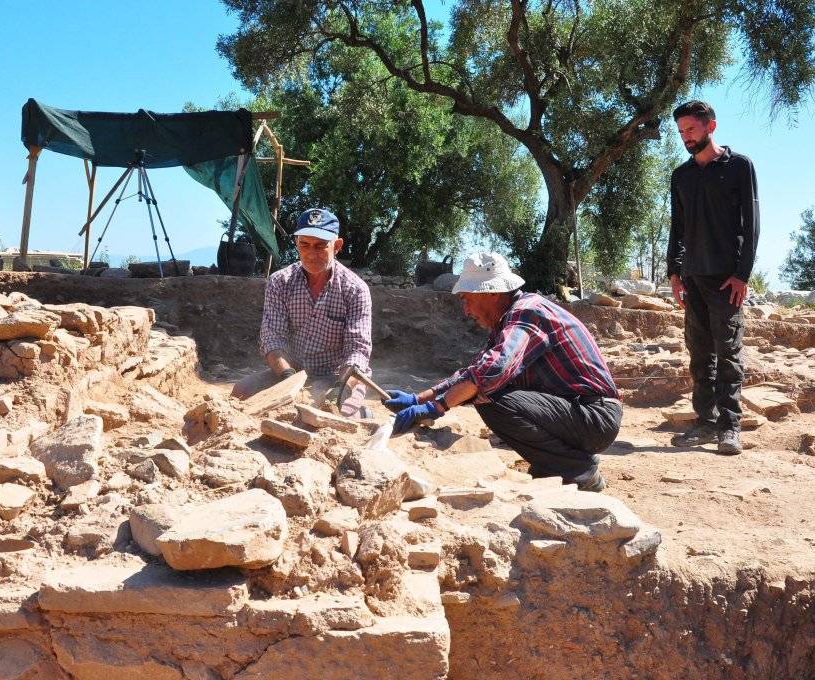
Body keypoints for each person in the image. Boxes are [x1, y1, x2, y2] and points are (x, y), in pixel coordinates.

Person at [384, 252, 621, 492]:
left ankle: (579, 471)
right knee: (486, 390)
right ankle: (553, 467)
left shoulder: (528, 312)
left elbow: (493, 370)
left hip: (594, 416)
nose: (466, 310)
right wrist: (420, 398)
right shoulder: (508, 320)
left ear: (492, 293)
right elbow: (474, 371)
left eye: (467, 299)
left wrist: (437, 407)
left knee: (491, 399)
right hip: (577, 412)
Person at [667, 100, 759, 455]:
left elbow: (751, 224)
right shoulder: (682, 175)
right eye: (681, 132)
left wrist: (742, 274)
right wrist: (674, 272)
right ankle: (705, 423)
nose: (685, 137)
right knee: (699, 354)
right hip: (692, 278)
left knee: (729, 353)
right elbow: (677, 226)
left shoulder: (739, 167)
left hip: (726, 279)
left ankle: (730, 427)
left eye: (690, 129)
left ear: (711, 127)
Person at [232, 208, 372, 417]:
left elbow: (357, 350)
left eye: (320, 246)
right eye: (304, 244)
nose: (311, 254)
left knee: (338, 413)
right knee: (240, 393)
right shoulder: (280, 282)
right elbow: (272, 338)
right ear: (296, 243)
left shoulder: (355, 289)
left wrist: (342, 388)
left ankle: (360, 411)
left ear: (337, 246)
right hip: (290, 372)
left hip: (336, 376)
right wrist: (288, 379)